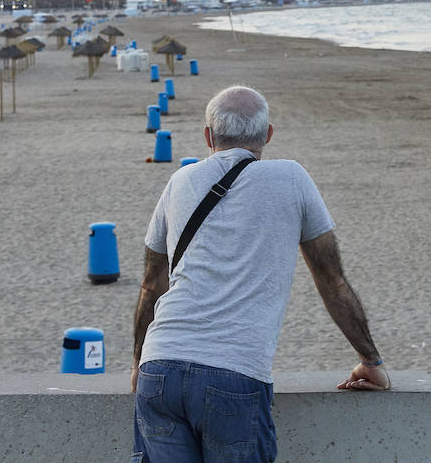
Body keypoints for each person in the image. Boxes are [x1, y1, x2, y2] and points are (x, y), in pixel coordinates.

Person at [131, 85, 388, 463]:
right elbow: (332, 281)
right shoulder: (292, 178)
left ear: (207, 136)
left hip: (160, 368)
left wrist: (139, 364)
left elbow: (152, 284)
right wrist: (371, 361)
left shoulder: (179, 183)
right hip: (234, 374)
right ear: (268, 134)